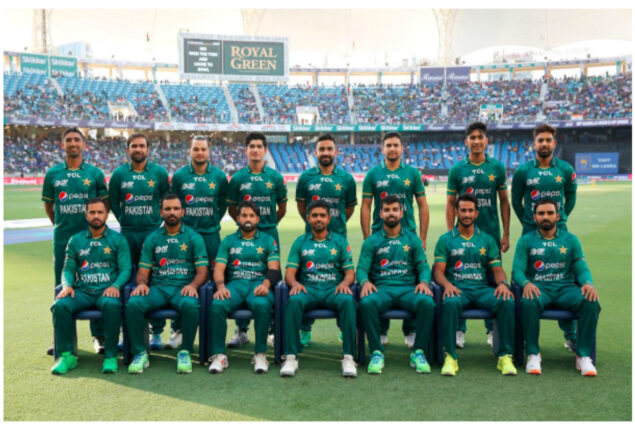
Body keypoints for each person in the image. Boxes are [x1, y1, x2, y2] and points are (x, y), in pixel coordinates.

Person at [512, 198, 599, 376]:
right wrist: (526, 283)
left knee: (590, 302)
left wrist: (587, 283)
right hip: (539, 289)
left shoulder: (571, 240)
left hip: (565, 289)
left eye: (550, 213)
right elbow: (517, 271)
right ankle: (533, 354)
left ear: (557, 216)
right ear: (534, 217)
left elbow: (581, 267)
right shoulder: (526, 241)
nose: (546, 217)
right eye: (541, 213)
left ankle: (582, 356)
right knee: (528, 302)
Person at [42, 127, 109, 355]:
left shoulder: (95, 174)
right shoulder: (53, 174)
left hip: (93, 239)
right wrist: (61, 226)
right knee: (61, 285)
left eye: (76, 140)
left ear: (84, 145)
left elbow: (103, 205)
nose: (72, 143)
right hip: (62, 239)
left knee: (96, 281)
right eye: (68, 140)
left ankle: (99, 337)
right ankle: (62, 338)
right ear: (63, 145)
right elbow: (50, 206)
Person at [511, 123, 578, 352]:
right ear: (534, 144)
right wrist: (528, 222)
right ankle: (521, 336)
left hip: (560, 233)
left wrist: (561, 218)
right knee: (524, 282)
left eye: (548, 140)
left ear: (554, 143)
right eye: (540, 140)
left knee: (563, 279)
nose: (544, 144)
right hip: (530, 231)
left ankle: (571, 336)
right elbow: (515, 201)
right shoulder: (523, 171)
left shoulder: (566, 170)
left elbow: (571, 196)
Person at [434, 193, 517, 376]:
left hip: (481, 289)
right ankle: (450, 357)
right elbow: (437, 271)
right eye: (463, 210)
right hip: (457, 289)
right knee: (449, 302)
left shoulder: (487, 240)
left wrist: (503, 283)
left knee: (507, 301)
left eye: (470, 210)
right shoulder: (446, 239)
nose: (467, 214)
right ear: (456, 212)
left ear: (476, 214)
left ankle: (504, 356)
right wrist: (447, 285)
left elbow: (497, 270)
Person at [125, 194, 208, 374]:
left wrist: (193, 286)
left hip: (183, 288)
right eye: (168, 209)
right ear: (161, 212)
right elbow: (143, 271)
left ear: (183, 212)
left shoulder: (194, 237)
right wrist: (141, 284)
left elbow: (202, 271)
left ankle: (185, 351)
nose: (172, 212)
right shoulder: (153, 238)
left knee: (191, 305)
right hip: (159, 288)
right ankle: (140, 353)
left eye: (176, 209)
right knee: (133, 304)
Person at [361, 132, 429, 348]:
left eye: (396, 145)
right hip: (379, 234)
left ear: (402, 148)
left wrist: (423, 237)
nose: (392, 148)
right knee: (380, 280)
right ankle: (380, 331)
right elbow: (365, 206)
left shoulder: (412, 173)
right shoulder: (373, 174)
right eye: (388, 145)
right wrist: (367, 237)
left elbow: (422, 205)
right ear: (383, 149)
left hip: (408, 234)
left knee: (410, 280)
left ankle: (411, 330)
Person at [446, 122, 511, 349]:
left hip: (490, 236)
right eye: (472, 137)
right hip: (461, 236)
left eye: (480, 137)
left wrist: (506, 233)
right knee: (460, 279)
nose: (476, 141)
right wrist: (449, 232)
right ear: (466, 141)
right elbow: (450, 203)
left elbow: (504, 201)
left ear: (486, 141)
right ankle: (458, 329)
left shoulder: (497, 168)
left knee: (493, 281)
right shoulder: (457, 170)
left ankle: (491, 329)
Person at [51, 198, 131, 374]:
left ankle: (110, 356)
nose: (96, 216)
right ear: (86, 215)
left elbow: (125, 269)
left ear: (107, 215)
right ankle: (67, 356)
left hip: (106, 291)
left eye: (100, 212)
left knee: (112, 304)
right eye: (92, 212)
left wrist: (116, 286)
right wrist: (67, 285)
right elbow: (68, 269)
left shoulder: (118, 239)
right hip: (83, 292)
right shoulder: (76, 240)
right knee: (60, 305)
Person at [357, 195, 435, 375]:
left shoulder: (412, 239)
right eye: (386, 210)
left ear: (402, 212)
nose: (391, 213)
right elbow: (361, 268)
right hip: (382, 289)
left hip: (408, 289)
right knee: (367, 303)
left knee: (427, 302)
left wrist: (423, 281)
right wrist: (365, 281)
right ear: (381, 214)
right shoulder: (372, 241)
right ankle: (377, 352)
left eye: (394, 210)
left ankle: (419, 351)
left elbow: (423, 265)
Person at [279, 200, 357, 377]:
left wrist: (344, 284)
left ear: (329, 219)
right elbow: (289, 273)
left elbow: (350, 273)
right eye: (314, 215)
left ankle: (348, 357)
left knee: (348, 301)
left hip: (333, 289)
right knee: (294, 300)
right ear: (308, 219)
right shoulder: (300, 242)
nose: (318, 219)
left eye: (322, 215)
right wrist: (295, 283)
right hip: (309, 289)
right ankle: (291, 357)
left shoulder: (340, 242)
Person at [109, 132, 170, 350]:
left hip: (153, 233)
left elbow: (167, 199)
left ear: (148, 149)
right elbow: (114, 203)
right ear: (128, 149)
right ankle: (127, 332)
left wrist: (156, 222)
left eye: (141, 146)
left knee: (154, 280)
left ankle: (156, 332)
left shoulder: (159, 173)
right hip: (127, 234)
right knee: (126, 280)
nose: (138, 149)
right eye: (133, 146)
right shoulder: (118, 175)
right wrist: (125, 219)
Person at [225, 132, 287, 348]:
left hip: (269, 233)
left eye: (259, 146)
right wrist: (247, 224)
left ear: (265, 150)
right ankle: (241, 331)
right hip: (244, 235)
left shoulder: (275, 178)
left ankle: (271, 329)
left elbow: (282, 208)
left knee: (269, 279)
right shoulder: (238, 179)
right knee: (241, 275)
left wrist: (266, 224)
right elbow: (233, 208)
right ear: (246, 150)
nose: (255, 150)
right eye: (251, 146)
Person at [295, 133, 357, 346]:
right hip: (311, 239)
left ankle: (343, 329)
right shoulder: (305, 178)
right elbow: (303, 208)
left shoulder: (346, 179)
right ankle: (304, 329)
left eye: (329, 149)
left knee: (340, 284)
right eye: (321, 149)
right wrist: (315, 223)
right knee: (308, 280)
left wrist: (334, 225)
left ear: (336, 152)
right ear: (316, 152)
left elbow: (348, 209)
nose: (325, 153)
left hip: (338, 239)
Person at [208, 201, 281, 374]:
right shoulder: (229, 240)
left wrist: (266, 284)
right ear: (238, 218)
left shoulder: (267, 240)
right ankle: (219, 355)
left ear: (257, 219)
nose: (248, 219)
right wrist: (220, 286)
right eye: (244, 215)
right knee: (217, 304)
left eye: (251, 216)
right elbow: (219, 268)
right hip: (236, 285)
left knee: (262, 305)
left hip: (258, 284)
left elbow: (274, 267)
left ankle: (260, 354)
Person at [171, 136, 229, 349]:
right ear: (190, 151)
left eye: (203, 149)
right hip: (185, 238)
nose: (200, 153)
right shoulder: (179, 176)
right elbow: (174, 205)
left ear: (209, 151)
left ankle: (212, 331)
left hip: (211, 236)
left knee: (214, 282)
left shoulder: (219, 176)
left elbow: (222, 205)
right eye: (196, 149)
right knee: (182, 279)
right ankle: (178, 329)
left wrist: (211, 221)